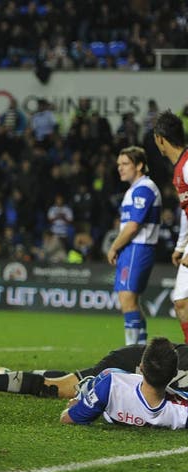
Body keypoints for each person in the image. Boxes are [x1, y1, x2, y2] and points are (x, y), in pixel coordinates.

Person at [0, 343, 188, 400]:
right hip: (131, 363)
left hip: (148, 364)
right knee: (60, 388)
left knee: (68, 377)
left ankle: (10, 373)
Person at [60, 337, 188, 429]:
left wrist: (74, 406)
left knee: (99, 379)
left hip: (105, 391)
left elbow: (67, 419)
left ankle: (86, 391)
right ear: (174, 374)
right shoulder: (183, 411)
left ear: (141, 367)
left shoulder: (112, 383)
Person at [106, 146, 161, 345]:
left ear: (139, 165)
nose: (120, 168)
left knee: (127, 300)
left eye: (125, 164)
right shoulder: (134, 189)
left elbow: (133, 226)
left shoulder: (143, 188)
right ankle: (140, 351)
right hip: (134, 248)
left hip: (138, 247)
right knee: (132, 301)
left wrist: (113, 247)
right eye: (119, 164)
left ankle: (131, 354)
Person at [153, 110, 188, 343]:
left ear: (161, 139)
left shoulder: (187, 165)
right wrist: (181, 244)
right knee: (181, 301)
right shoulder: (179, 168)